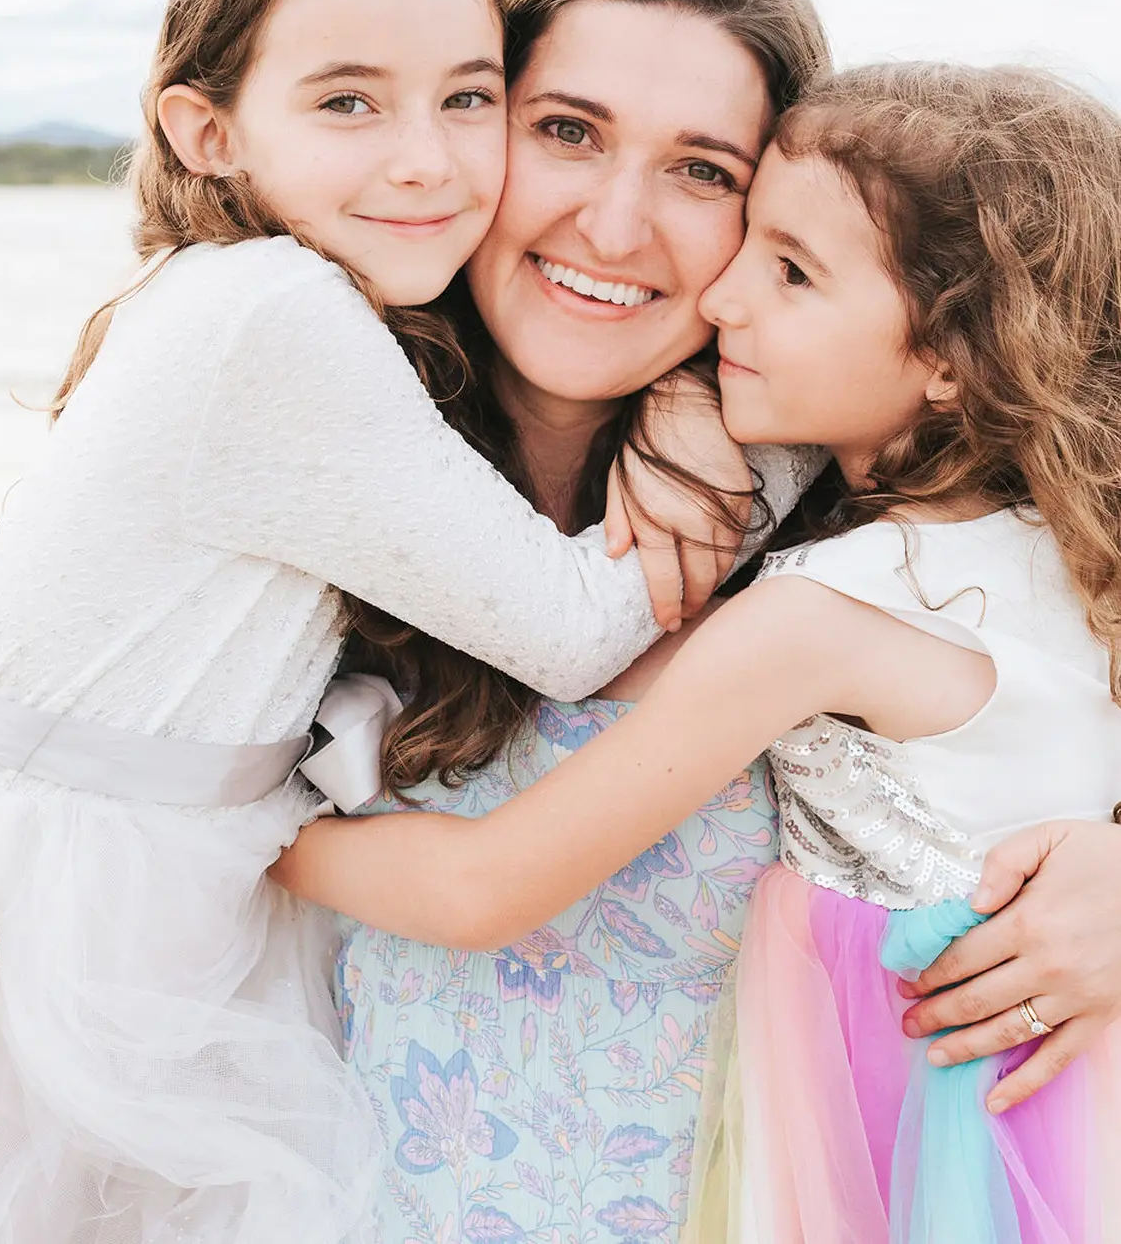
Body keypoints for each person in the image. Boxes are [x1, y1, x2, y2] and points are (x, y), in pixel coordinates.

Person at [0, 0, 757, 1244]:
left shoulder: (284, 312)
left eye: (465, 97)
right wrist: (759, 427)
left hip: (145, 908)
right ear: (207, 132)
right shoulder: (278, 318)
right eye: (346, 101)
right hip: (73, 932)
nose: (426, 160)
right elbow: (570, 630)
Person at [275, 61, 1121, 1241]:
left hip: (896, 1121)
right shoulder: (1069, 546)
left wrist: (242, 840)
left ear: (949, 359)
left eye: (788, 273)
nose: (721, 298)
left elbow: (481, 889)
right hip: (1060, 1120)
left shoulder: (809, 620)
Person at [315, 0, 831, 1243]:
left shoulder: (837, 519)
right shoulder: (299, 455)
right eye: (567, 130)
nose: (613, 222)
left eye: (701, 170)